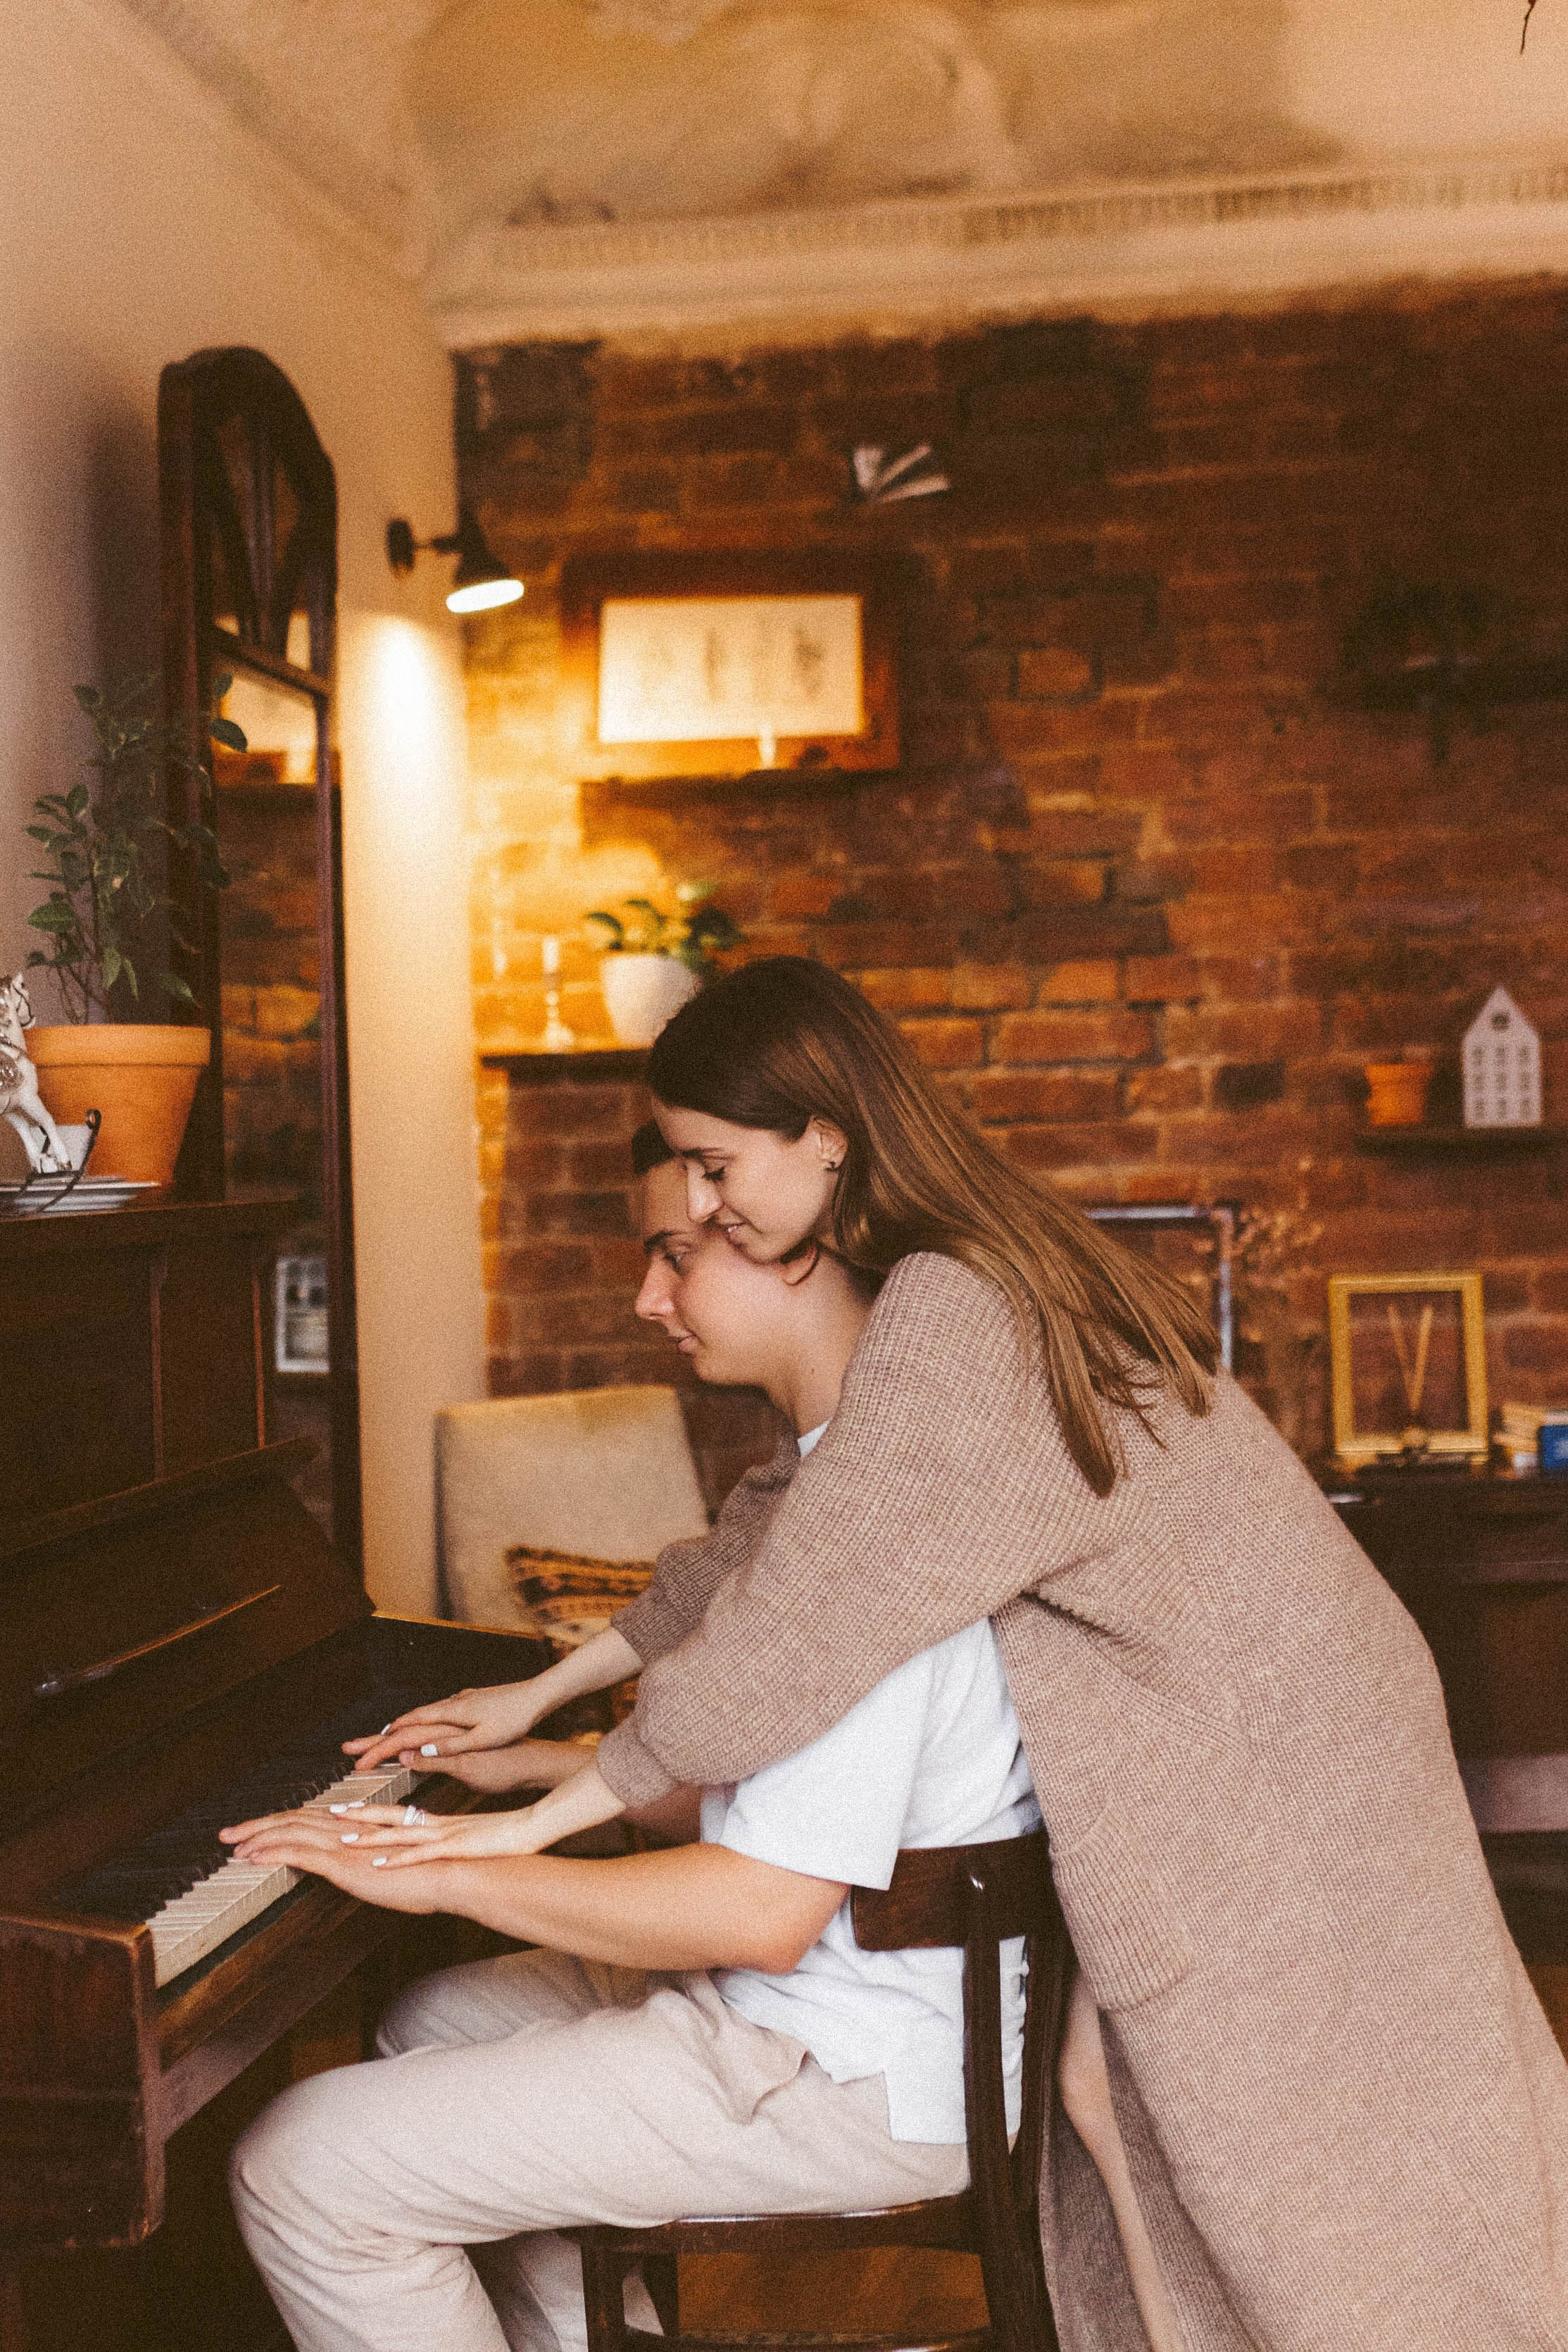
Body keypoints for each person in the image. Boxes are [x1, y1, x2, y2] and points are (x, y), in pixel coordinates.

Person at [364, 959, 1568, 2351]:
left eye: (711, 1166)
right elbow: (765, 1540)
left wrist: (551, 1809)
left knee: (1305, 2163)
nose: (696, 1209)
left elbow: (799, 1610)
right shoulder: (960, 1276)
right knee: (1143, 2117)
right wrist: (544, 1695)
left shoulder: (951, 1308)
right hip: (1264, 1725)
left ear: (825, 1135)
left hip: (1261, 1750)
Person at [221, 1134, 1043, 2352]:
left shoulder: (871, 1530)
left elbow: (761, 1908)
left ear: (799, 1252)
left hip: (851, 2063)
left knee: (299, 2165)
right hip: (841, 2006)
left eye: (678, 1256)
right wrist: (532, 1772)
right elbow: (781, 1804)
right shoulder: (837, 1480)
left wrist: (442, 1869)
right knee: (426, 2022)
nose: (649, 1297)